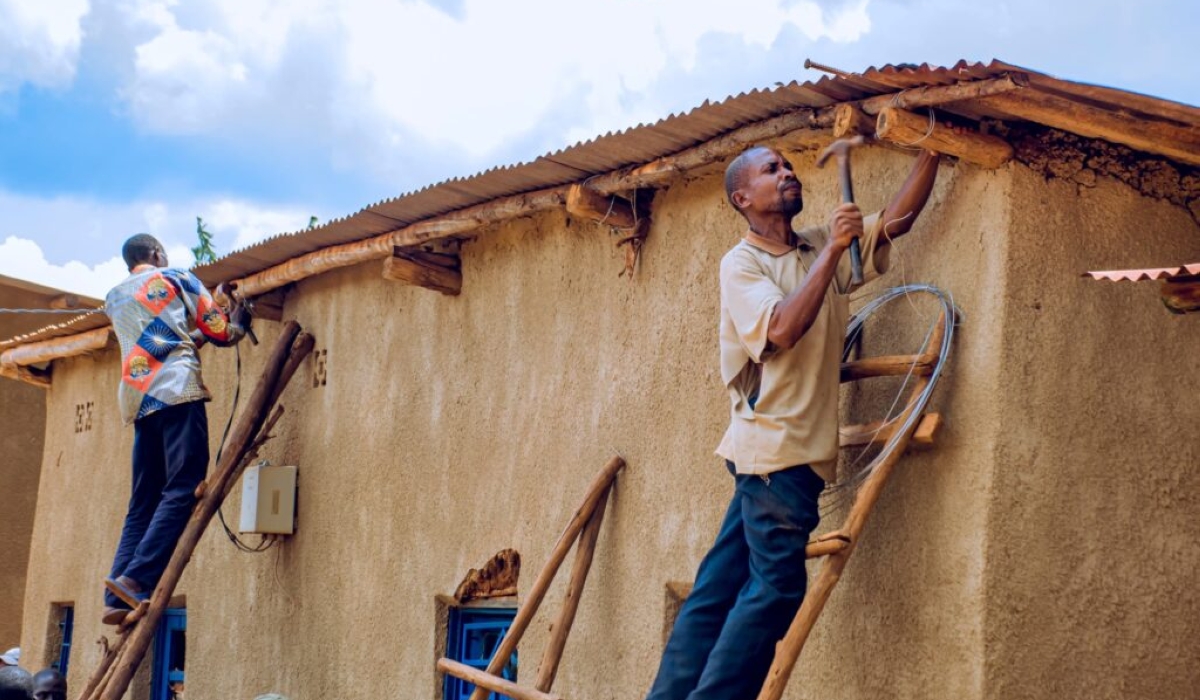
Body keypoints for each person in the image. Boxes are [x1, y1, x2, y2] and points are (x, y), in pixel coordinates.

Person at [644, 144, 942, 700]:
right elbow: (780, 329)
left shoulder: (812, 247)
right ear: (743, 198)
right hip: (779, 454)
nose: (786, 172)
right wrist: (835, 248)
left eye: (787, 166)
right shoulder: (743, 263)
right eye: (771, 169)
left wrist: (930, 148)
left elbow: (895, 222)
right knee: (777, 588)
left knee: (717, 591)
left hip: (768, 454)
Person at [101, 234, 247, 625]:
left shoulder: (114, 297)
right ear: (156, 254)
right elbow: (220, 333)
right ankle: (136, 580)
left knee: (143, 501)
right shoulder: (176, 277)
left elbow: (167, 339)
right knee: (183, 487)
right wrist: (236, 320)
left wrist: (211, 316)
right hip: (176, 389)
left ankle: (115, 595)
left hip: (138, 399)